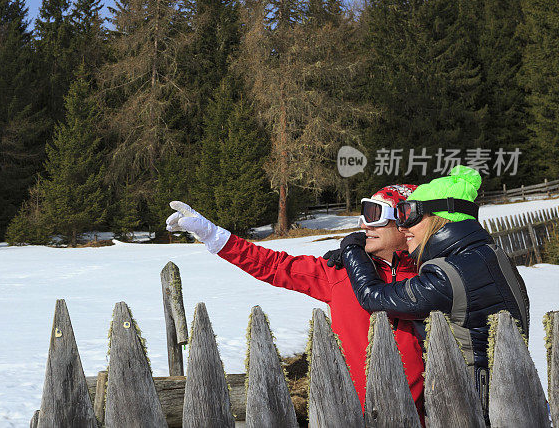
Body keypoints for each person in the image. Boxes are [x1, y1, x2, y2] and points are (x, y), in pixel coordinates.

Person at [166, 185, 426, 424]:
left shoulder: (433, 277)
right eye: (364, 214)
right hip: (351, 415)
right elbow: (274, 265)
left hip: (424, 417)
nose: (365, 224)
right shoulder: (338, 274)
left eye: (376, 214)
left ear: (406, 220)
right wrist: (213, 235)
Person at [329, 165, 529, 419]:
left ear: (440, 218)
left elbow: (373, 297)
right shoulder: (491, 256)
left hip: (470, 408)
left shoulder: (448, 274)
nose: (402, 228)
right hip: (510, 394)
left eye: (409, 216)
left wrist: (352, 251)